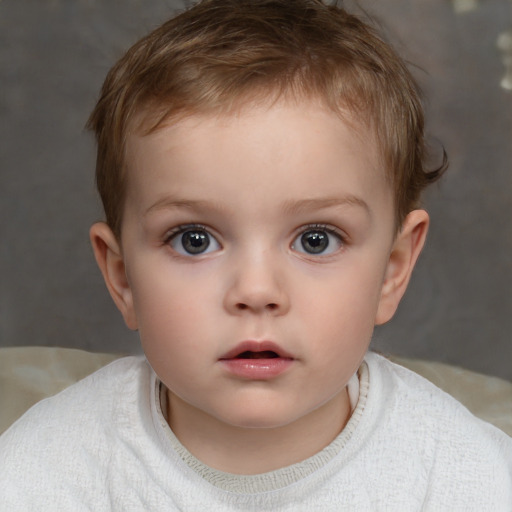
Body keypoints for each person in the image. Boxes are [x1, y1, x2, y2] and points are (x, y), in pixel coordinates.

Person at [1, 0, 511, 509]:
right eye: (194, 240)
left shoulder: (464, 477)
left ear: (392, 271)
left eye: (316, 239)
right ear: (123, 278)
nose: (256, 291)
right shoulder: (46, 469)